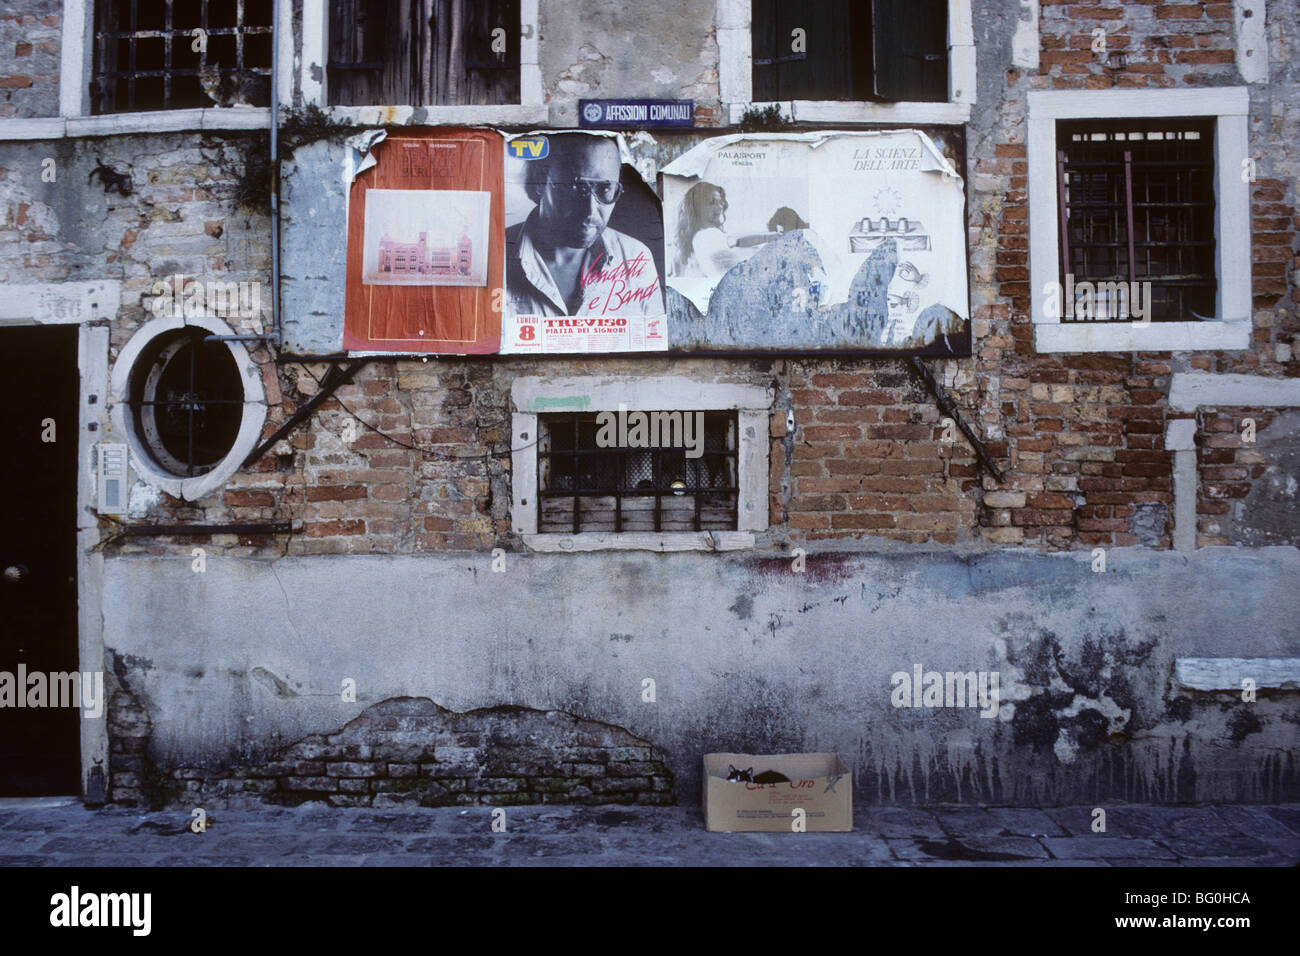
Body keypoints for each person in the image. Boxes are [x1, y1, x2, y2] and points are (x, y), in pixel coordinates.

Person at [506, 134, 662, 318]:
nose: (589, 212)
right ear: (540, 181)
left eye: (605, 189)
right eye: (575, 188)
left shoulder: (636, 257)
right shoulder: (493, 255)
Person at [671, 181, 788, 278]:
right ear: (697, 208)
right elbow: (735, 240)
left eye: (720, 202)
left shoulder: (703, 237)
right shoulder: (705, 235)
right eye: (712, 203)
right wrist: (769, 237)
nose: (720, 206)